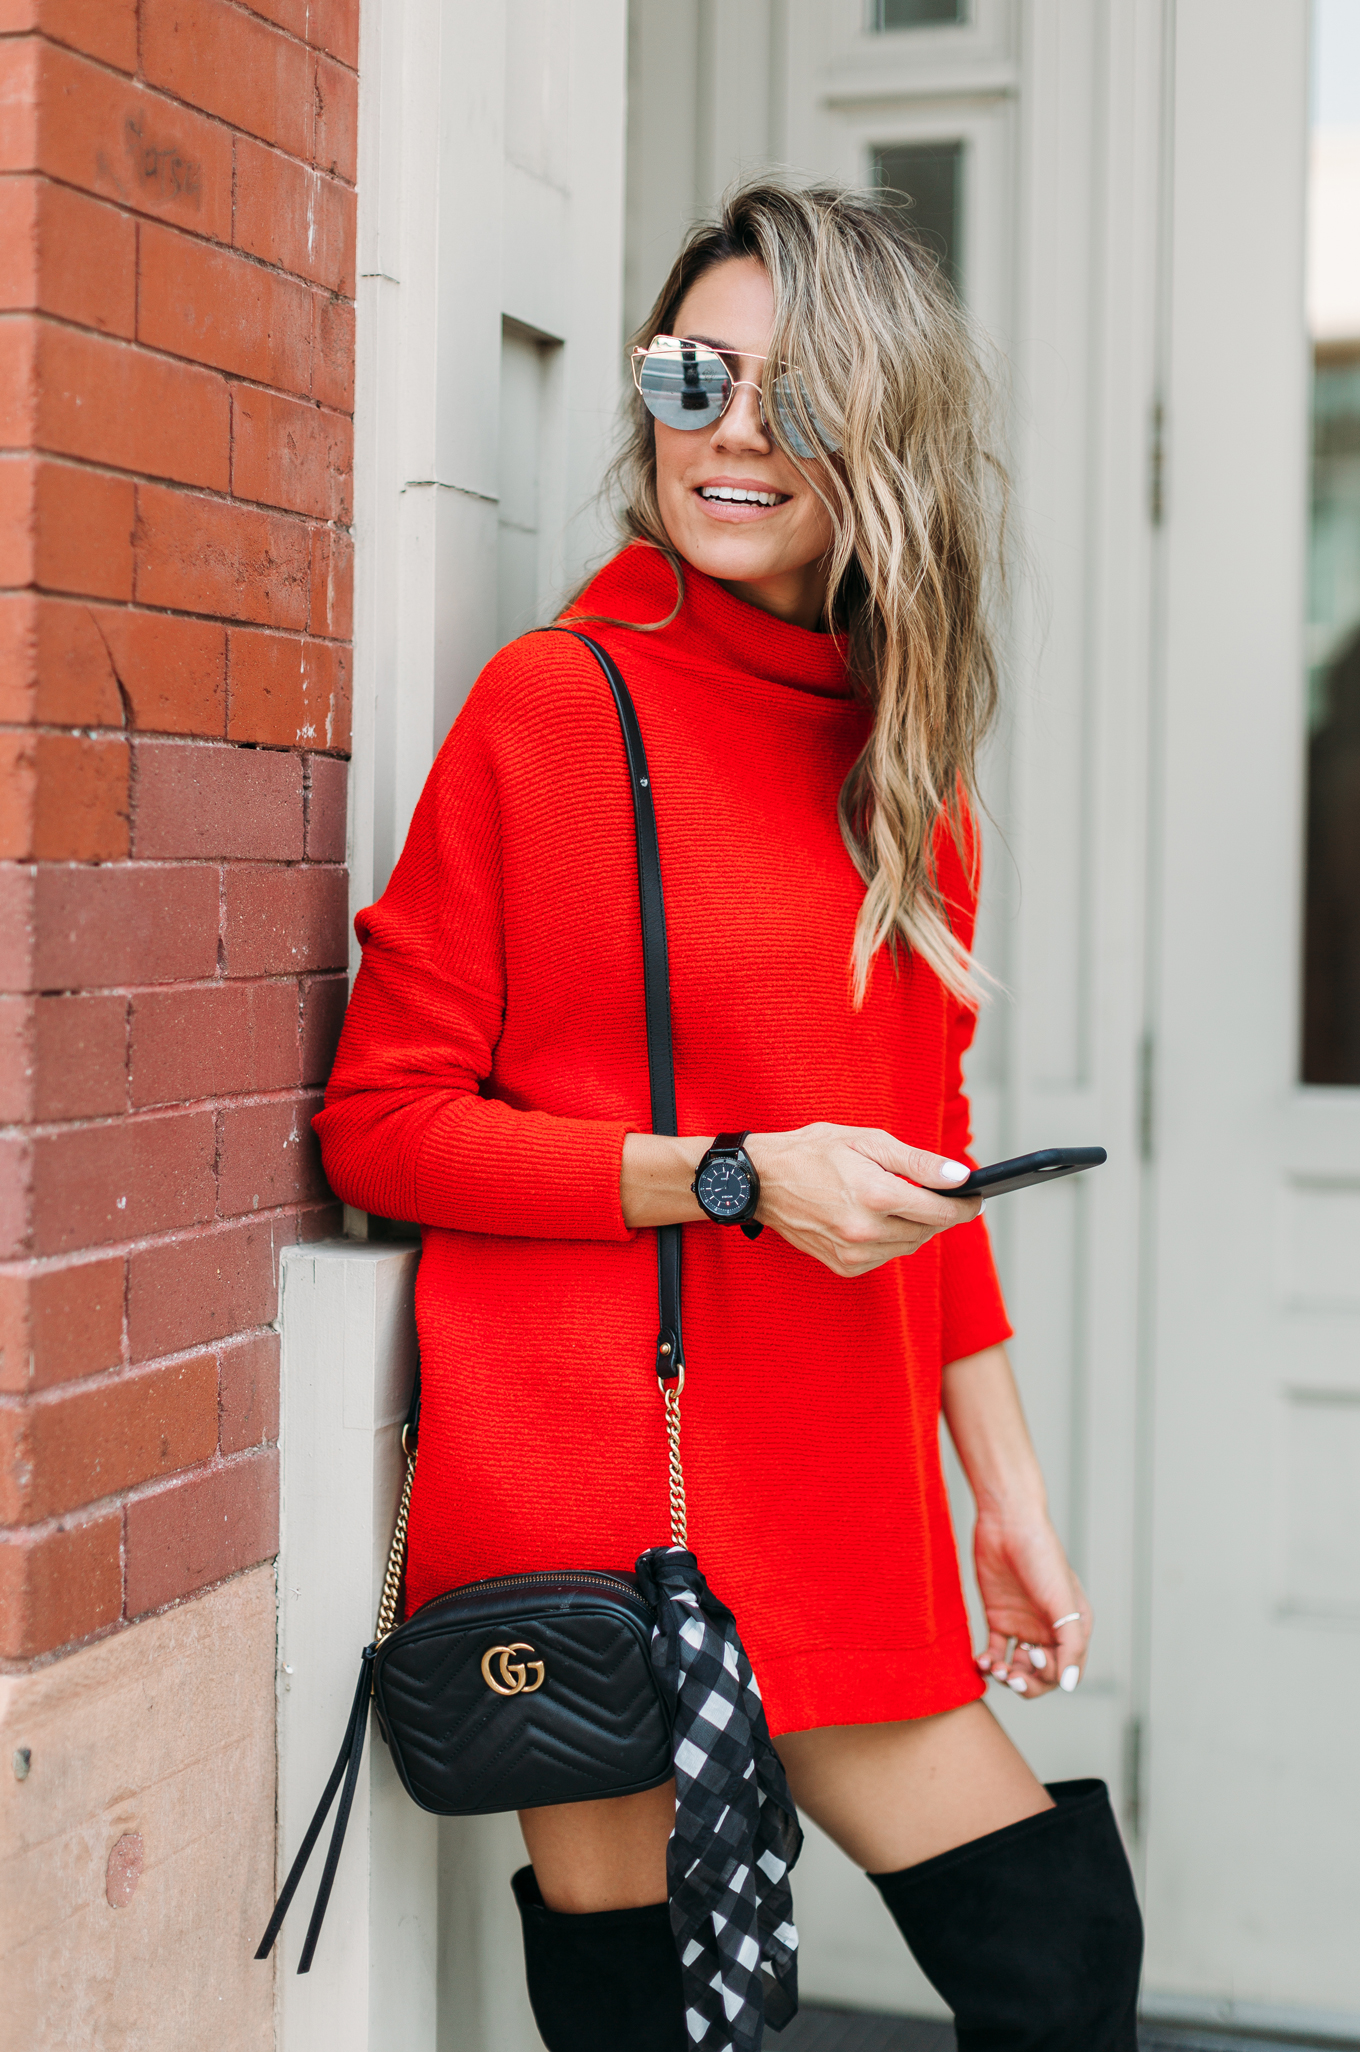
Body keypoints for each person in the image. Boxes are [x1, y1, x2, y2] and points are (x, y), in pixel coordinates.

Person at [315, 180, 1143, 2051]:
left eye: (796, 395)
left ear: (887, 435)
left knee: (1057, 1949)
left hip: (835, 1461)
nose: (731, 434)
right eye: (694, 379)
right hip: (605, 1474)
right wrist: (730, 1177)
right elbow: (383, 1123)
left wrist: (1007, 1500)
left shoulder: (904, 772)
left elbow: (930, 1160)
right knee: (649, 2017)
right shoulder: (553, 708)